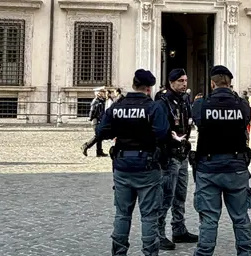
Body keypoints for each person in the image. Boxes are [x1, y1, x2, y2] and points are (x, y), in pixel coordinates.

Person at [95, 69, 169, 256]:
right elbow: (162, 133)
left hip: (122, 165)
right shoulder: (153, 107)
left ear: (134, 85)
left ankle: (119, 252)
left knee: (122, 214)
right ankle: (150, 252)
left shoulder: (117, 106)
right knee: (149, 216)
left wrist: (119, 132)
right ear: (149, 88)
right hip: (147, 166)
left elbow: (101, 131)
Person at [191, 65, 251, 256]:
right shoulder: (242, 105)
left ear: (212, 84)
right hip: (236, 166)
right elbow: (246, 120)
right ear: (229, 83)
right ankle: (247, 252)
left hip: (208, 167)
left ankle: (204, 253)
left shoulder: (201, 104)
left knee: (209, 219)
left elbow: (197, 121)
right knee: (240, 216)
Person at [156, 68, 199, 250]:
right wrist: (170, 137)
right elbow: (158, 128)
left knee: (180, 194)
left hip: (182, 153)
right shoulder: (163, 100)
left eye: (185, 80)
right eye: (180, 81)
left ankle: (179, 229)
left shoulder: (185, 99)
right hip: (169, 155)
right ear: (171, 82)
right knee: (166, 196)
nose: (184, 84)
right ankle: (158, 234)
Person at [82, 87, 109, 157]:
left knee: (100, 136)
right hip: (96, 120)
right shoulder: (96, 101)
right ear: (99, 93)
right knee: (98, 136)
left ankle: (99, 151)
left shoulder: (101, 100)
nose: (104, 94)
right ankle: (86, 146)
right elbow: (92, 111)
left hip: (100, 120)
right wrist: (91, 118)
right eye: (103, 92)